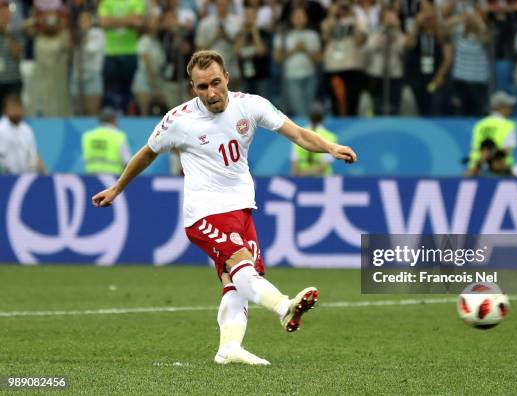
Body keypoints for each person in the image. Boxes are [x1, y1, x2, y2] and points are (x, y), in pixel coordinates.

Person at [91, 50, 357, 365]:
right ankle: (284, 307)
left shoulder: (251, 105)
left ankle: (229, 348)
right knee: (242, 263)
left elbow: (297, 133)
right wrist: (118, 187)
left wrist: (330, 147)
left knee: (237, 278)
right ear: (193, 88)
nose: (211, 92)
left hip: (241, 207)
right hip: (203, 212)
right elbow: (147, 153)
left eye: (216, 83)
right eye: (202, 87)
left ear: (227, 77)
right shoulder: (179, 120)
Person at [468, 91, 517, 174]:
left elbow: (475, 149)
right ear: (501, 107)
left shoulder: (479, 125)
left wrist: (478, 164)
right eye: (508, 106)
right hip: (501, 169)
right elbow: (506, 151)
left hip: (477, 170)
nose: (510, 110)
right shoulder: (508, 125)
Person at [0, 94, 46, 174]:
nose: (15, 111)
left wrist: (42, 169)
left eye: (17, 108)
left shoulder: (27, 130)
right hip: (5, 177)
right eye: (11, 108)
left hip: (25, 177)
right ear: (6, 110)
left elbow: (33, 155)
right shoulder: (1, 129)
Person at [291, 102, 337, 176]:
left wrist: (301, 175)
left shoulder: (298, 133)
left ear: (309, 117)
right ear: (323, 119)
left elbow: (294, 168)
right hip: (324, 182)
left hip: (303, 182)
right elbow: (323, 167)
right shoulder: (330, 137)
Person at [82, 107, 131, 175]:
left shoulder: (87, 136)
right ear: (113, 120)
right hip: (113, 177)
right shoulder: (118, 136)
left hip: (91, 176)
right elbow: (126, 161)